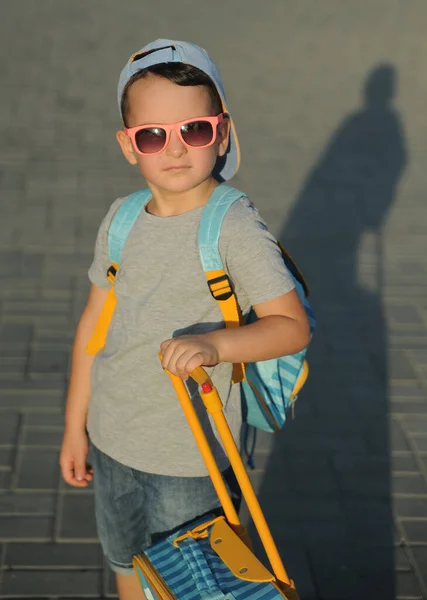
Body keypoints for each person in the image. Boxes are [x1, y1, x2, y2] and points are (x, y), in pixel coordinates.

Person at [59, 39, 310, 600]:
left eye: (193, 130)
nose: (174, 148)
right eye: (153, 135)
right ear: (129, 146)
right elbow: (94, 330)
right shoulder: (121, 220)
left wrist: (216, 347)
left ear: (220, 132)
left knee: (198, 589)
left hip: (193, 460)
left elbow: (291, 325)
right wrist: (76, 424)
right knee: (129, 568)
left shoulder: (234, 227)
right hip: (112, 438)